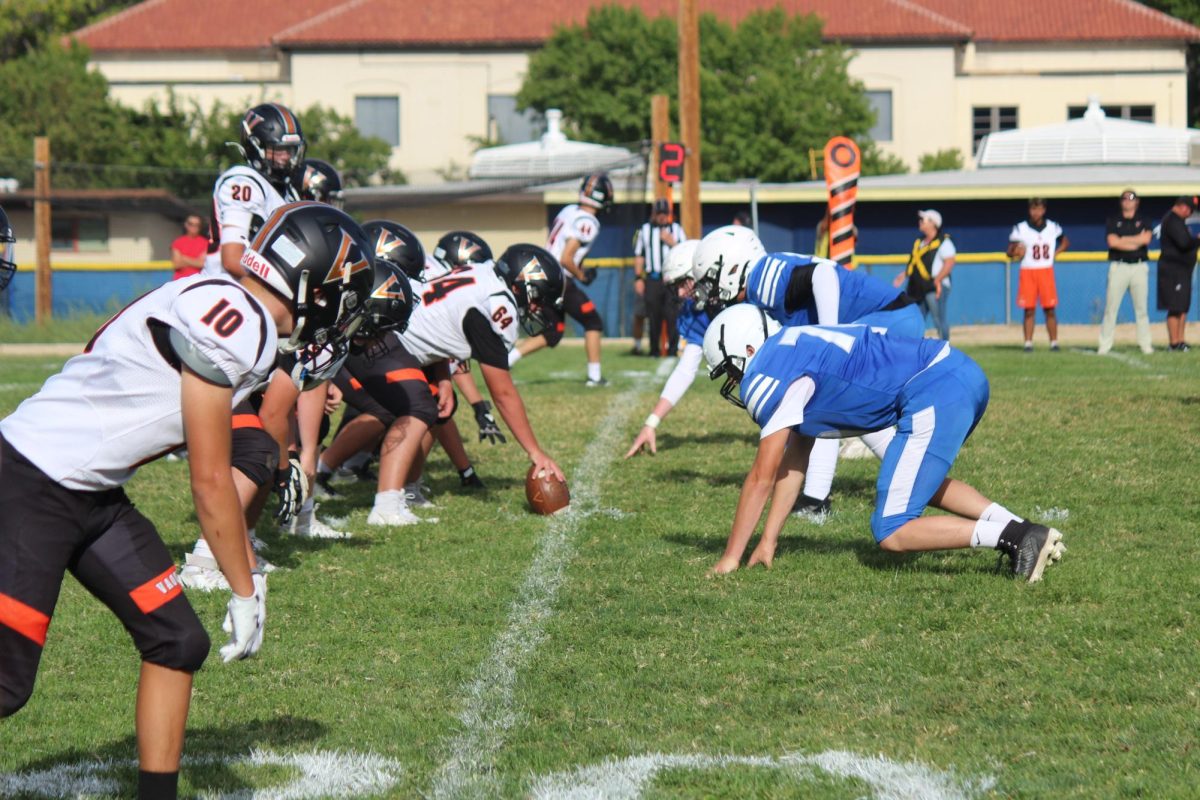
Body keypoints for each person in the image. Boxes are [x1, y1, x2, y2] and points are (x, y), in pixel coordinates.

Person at [0, 202, 372, 800]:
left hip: (89, 490)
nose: (345, 311)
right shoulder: (238, 324)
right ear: (313, 283)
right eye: (346, 293)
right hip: (33, 481)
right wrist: (244, 586)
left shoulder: (228, 301)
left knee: (178, 640)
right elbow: (208, 480)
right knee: (6, 686)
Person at [701, 304, 1066, 583]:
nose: (736, 382)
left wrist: (731, 556)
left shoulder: (771, 364)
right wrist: (768, 541)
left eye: (732, 371)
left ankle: (1017, 536)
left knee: (891, 528)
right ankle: (1027, 530)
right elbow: (794, 459)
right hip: (956, 372)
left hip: (934, 388)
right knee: (912, 482)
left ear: (749, 349)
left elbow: (761, 478)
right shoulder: (796, 346)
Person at [699, 224, 924, 518]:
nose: (710, 293)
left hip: (892, 318)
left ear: (731, 267)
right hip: (896, 316)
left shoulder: (759, 278)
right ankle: (909, 476)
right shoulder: (763, 280)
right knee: (840, 404)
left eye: (711, 281)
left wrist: (829, 333)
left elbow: (822, 275)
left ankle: (818, 499)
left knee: (826, 397)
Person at [510, 173, 612, 387]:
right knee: (593, 321)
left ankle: (508, 360)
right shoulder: (588, 221)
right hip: (558, 279)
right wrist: (582, 275)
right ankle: (594, 377)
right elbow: (566, 258)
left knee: (553, 331)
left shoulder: (569, 210)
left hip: (543, 274)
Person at [625, 240, 708, 457]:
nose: (680, 293)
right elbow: (685, 371)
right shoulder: (696, 312)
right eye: (676, 287)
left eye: (683, 283)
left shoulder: (748, 295)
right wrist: (651, 422)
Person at [1008, 198, 1069, 352]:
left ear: (1044, 210)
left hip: (1045, 270)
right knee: (1029, 309)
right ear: (1029, 210)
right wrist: (1015, 252)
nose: (1036, 212)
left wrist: (1055, 254)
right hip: (1028, 270)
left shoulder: (1052, 227)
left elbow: (1065, 241)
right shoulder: (1020, 228)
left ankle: (1054, 342)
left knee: (1050, 308)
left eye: (1039, 209)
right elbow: (1009, 250)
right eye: (1033, 209)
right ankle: (1028, 343)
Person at [1099, 189, 1154, 355]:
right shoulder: (1114, 220)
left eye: (1131, 199)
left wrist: (1123, 239)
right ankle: (1104, 345)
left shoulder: (1144, 220)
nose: (1128, 202)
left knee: (1141, 309)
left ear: (1137, 201)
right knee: (1111, 308)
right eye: (1125, 199)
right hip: (1119, 266)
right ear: (1121, 201)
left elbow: (1146, 239)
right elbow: (1112, 242)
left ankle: (1145, 345)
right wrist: (1134, 240)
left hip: (1139, 266)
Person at [633, 199, 686, 357]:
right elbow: (639, 255)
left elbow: (685, 252)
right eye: (659, 213)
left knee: (672, 315)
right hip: (653, 278)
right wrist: (638, 278)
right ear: (654, 214)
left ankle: (672, 349)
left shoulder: (676, 229)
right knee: (653, 315)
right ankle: (654, 350)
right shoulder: (645, 230)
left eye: (665, 213)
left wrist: (672, 242)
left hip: (672, 280)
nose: (662, 217)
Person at [895, 209, 955, 340]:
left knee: (938, 318)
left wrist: (937, 280)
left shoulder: (943, 242)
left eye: (924, 220)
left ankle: (944, 348)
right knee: (917, 318)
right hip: (918, 288)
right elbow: (914, 262)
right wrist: (904, 274)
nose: (920, 222)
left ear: (933, 223)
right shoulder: (919, 242)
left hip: (934, 287)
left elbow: (949, 263)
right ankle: (917, 347)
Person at [1156, 195, 1198, 352]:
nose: (1189, 213)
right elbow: (1184, 243)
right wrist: (1197, 240)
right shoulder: (1172, 220)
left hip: (1183, 270)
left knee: (1182, 306)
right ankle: (1174, 343)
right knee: (1175, 306)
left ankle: (1180, 340)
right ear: (1182, 206)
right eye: (1189, 209)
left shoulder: (1179, 221)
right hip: (1173, 270)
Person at [170, 215, 208, 281]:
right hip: (179, 281)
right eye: (191, 224)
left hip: (199, 281)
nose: (194, 227)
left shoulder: (206, 243)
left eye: (197, 225)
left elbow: (203, 264)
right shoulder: (177, 242)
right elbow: (176, 265)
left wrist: (184, 258)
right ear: (186, 225)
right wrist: (195, 261)